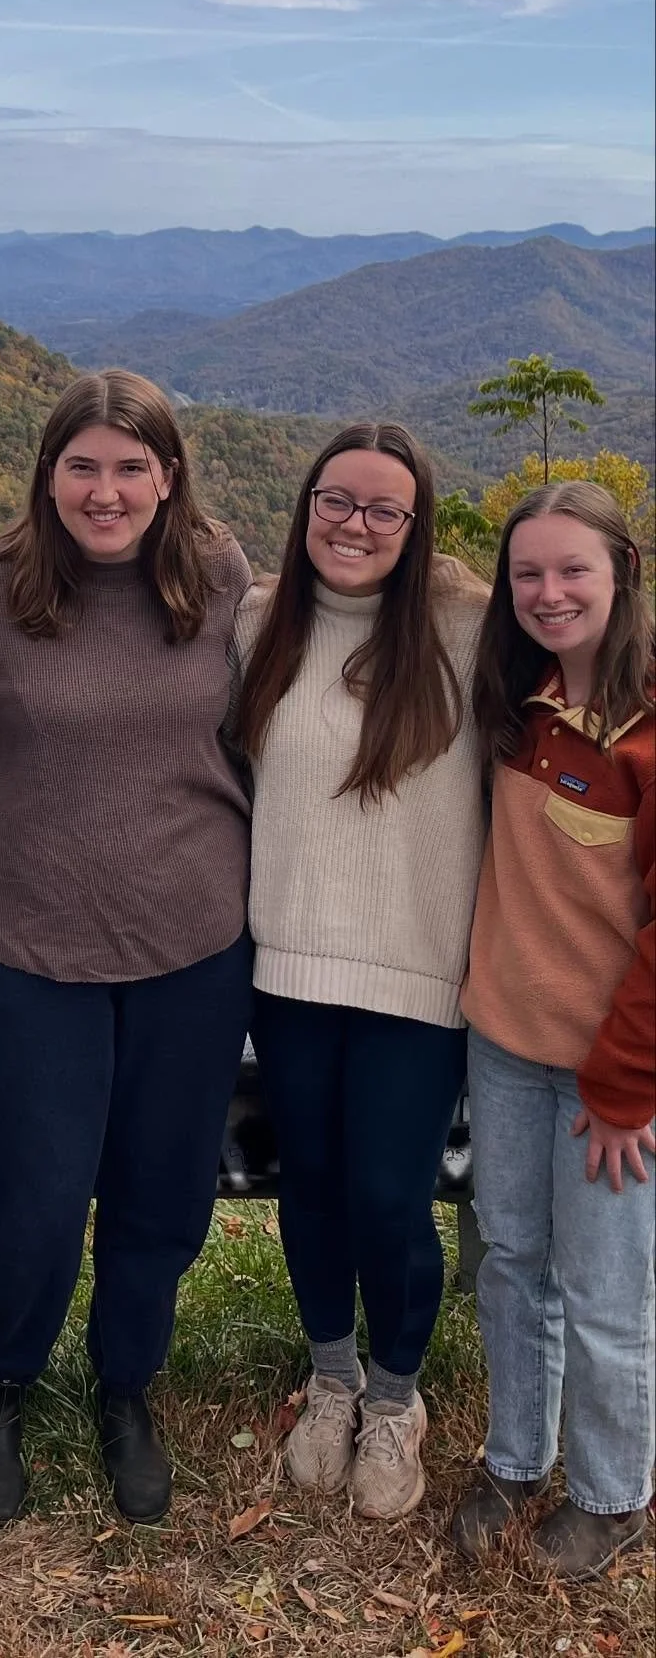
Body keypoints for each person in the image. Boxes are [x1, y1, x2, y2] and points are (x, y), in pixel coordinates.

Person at [0, 369, 253, 1527]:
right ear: (49, 472)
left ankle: (127, 1385)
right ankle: (5, 1385)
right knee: (33, 1186)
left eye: (132, 467)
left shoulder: (216, 578)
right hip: (28, 940)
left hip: (192, 938)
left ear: (169, 476)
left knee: (161, 1185)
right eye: (85, 465)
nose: (107, 490)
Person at [234, 423, 487, 1521]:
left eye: (386, 508)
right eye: (338, 500)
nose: (356, 524)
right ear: (305, 507)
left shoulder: (468, 629)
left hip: (418, 968)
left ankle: (396, 1393)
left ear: (418, 524)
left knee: (392, 1194)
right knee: (316, 1183)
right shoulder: (258, 624)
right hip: (286, 959)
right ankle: (330, 1371)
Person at [452, 481, 653, 1580]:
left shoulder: (650, 723)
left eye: (573, 568)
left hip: (607, 1070)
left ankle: (617, 1491)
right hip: (505, 1042)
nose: (549, 591)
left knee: (609, 1290)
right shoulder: (514, 695)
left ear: (622, 570)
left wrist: (625, 1081)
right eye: (527, 572)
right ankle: (516, 1457)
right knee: (513, 1262)